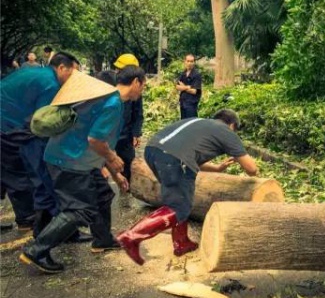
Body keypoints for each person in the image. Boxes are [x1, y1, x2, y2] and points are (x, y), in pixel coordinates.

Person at [19, 67, 146, 273]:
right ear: (136, 82)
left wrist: (116, 174)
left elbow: (103, 141)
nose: (142, 91)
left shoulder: (107, 97)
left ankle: (102, 239)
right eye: (143, 86)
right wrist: (113, 159)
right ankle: (35, 250)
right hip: (69, 161)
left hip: (78, 159)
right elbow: (95, 140)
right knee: (79, 210)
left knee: (104, 194)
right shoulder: (113, 103)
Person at [117, 109, 258, 265]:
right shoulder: (227, 132)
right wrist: (241, 158)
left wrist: (217, 168)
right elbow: (252, 170)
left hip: (152, 151)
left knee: (179, 199)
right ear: (232, 125)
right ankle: (131, 237)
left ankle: (181, 243)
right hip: (174, 158)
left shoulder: (200, 123)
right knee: (178, 207)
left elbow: (189, 154)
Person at [0, 52, 80, 232]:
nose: (74, 79)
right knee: (19, 174)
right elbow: (42, 124)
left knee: (10, 171)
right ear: (61, 68)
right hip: (7, 126)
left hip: (10, 119)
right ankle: (27, 220)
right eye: (73, 73)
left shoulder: (40, 73)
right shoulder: (50, 84)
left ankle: (28, 219)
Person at [96, 53, 144, 208]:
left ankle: (126, 189)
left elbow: (138, 113)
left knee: (126, 162)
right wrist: (106, 162)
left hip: (124, 134)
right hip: (103, 138)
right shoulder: (110, 93)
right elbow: (94, 139)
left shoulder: (133, 93)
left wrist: (136, 132)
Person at [176, 54, 202, 119]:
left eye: (191, 61)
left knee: (191, 124)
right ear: (185, 62)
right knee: (183, 123)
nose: (189, 63)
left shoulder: (197, 75)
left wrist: (183, 87)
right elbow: (177, 87)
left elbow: (194, 91)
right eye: (188, 61)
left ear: (194, 63)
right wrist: (187, 87)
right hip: (183, 103)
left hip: (191, 104)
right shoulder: (183, 73)